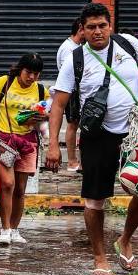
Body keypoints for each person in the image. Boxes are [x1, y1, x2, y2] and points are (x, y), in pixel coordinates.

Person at [46, 3, 138, 275]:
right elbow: (58, 105)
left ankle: (125, 239)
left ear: (110, 25)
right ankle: (99, 257)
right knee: (95, 200)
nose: (97, 32)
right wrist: (53, 145)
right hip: (96, 136)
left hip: (134, 132)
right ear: (82, 30)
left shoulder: (129, 45)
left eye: (102, 26)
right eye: (91, 27)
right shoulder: (76, 59)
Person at [0, 53, 47, 246]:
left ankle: (15, 230)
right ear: (20, 69)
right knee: (7, 184)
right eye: (28, 72)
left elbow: (47, 115)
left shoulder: (42, 91)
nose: (31, 77)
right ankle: (5, 229)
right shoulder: (4, 82)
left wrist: (40, 118)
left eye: (36, 73)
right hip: (3, 141)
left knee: (20, 190)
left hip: (28, 143)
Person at [55, 18, 86, 173]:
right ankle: (72, 161)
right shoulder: (69, 48)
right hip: (72, 91)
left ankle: (79, 160)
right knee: (73, 125)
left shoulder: (76, 46)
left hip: (77, 91)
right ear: (80, 29)